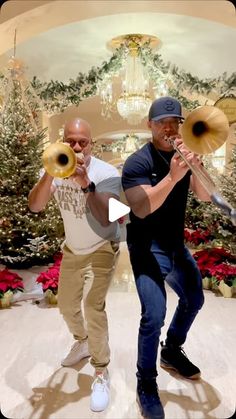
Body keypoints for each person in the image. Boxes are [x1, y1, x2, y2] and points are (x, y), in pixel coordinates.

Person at [122, 97, 211, 419]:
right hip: (146, 247)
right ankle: (146, 383)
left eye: (175, 122)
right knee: (153, 315)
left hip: (175, 245)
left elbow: (204, 196)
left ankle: (171, 350)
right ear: (150, 124)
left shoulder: (183, 156)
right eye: (162, 122)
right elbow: (142, 208)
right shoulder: (137, 163)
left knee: (194, 299)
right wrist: (173, 177)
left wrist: (197, 168)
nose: (169, 128)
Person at [28, 118, 120, 413]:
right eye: (71, 141)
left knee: (93, 307)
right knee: (67, 306)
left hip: (103, 247)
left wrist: (85, 184)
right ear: (63, 140)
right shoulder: (54, 167)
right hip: (73, 249)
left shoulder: (107, 172)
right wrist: (49, 172)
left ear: (92, 143)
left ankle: (100, 370)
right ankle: (82, 342)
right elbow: (35, 206)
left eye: (83, 141)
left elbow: (113, 217)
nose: (77, 147)